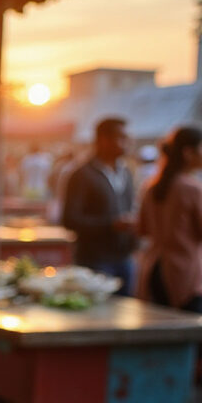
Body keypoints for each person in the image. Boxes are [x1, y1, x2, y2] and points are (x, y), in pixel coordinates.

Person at [63, 117, 136, 293]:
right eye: (121, 137)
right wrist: (111, 224)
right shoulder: (82, 174)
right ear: (103, 140)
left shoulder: (125, 172)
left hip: (124, 257)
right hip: (95, 259)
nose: (126, 143)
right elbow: (70, 219)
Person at [137, 126, 202, 312]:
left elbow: (142, 229)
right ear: (189, 153)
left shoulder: (151, 187)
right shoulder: (192, 189)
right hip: (184, 275)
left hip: (154, 271)